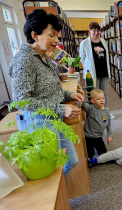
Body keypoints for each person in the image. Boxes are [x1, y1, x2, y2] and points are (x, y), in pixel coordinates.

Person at [8, 9, 83, 176]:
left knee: (70, 160)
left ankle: (60, 197)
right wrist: (63, 109)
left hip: (53, 118)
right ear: (35, 35)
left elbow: (49, 89)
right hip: (38, 123)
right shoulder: (24, 60)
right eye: (52, 35)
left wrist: (68, 95)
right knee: (50, 172)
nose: (57, 41)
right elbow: (22, 101)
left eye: (57, 35)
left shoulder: (44, 57)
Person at [80, 22, 110, 107]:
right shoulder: (84, 43)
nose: (96, 32)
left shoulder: (103, 41)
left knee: (104, 93)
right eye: (94, 30)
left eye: (98, 30)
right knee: (93, 94)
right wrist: (88, 68)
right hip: (92, 73)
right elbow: (82, 58)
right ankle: (95, 112)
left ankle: (105, 111)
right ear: (89, 30)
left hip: (104, 71)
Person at [81, 88, 112, 160]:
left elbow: (109, 124)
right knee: (90, 155)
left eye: (103, 98)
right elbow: (82, 103)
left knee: (104, 154)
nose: (102, 100)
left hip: (98, 136)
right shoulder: (90, 108)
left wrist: (109, 135)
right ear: (92, 101)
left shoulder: (106, 110)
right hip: (88, 136)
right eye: (98, 99)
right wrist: (82, 94)